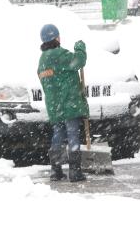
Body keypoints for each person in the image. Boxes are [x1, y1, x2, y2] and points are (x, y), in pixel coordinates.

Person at [37, 24, 89, 182]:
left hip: (54, 106)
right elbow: (78, 62)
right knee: (73, 133)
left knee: (58, 135)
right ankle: (75, 171)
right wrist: (80, 48)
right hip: (69, 104)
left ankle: (55, 170)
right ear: (56, 37)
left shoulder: (42, 59)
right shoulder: (60, 54)